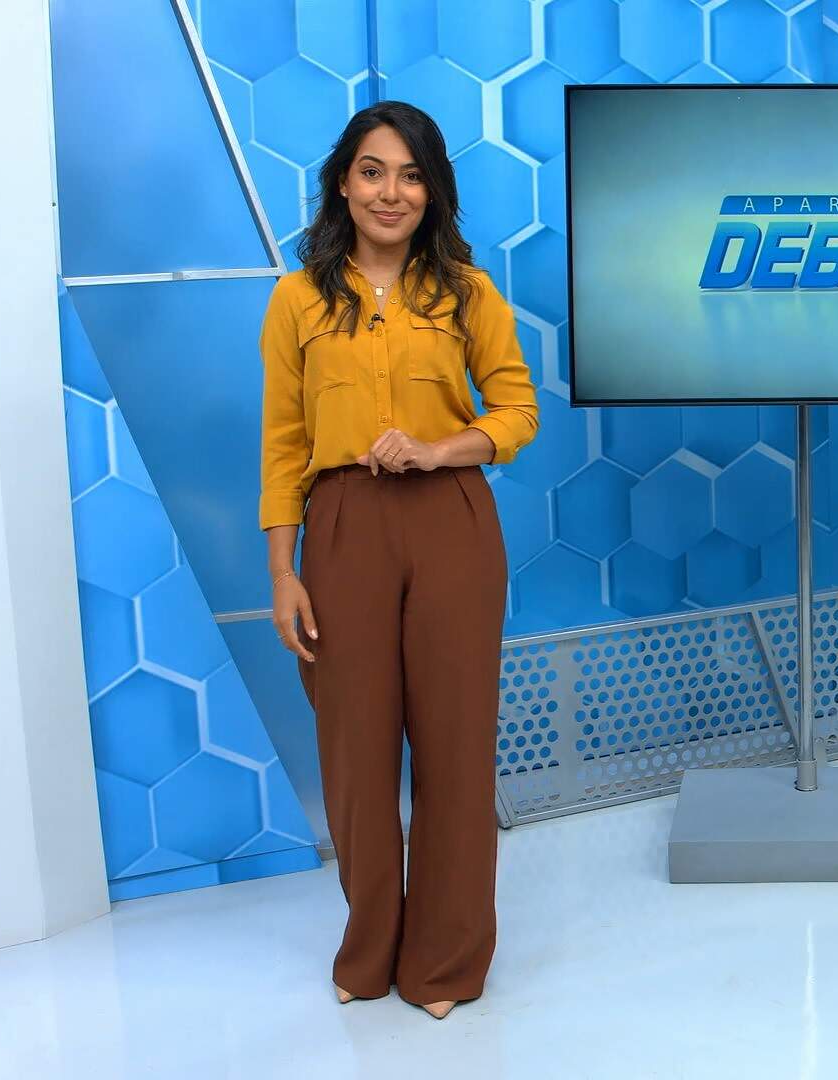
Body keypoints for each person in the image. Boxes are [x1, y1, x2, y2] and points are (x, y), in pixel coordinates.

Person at [257, 101, 539, 1020]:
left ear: (433, 191)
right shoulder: (296, 300)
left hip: (451, 520)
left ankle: (445, 962)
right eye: (373, 171)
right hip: (342, 528)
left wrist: (438, 449)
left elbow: (517, 412)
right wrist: (284, 572)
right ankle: (370, 947)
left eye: (412, 175)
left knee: (456, 745)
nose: (392, 192)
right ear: (343, 183)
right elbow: (283, 443)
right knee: (354, 748)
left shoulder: (468, 292)